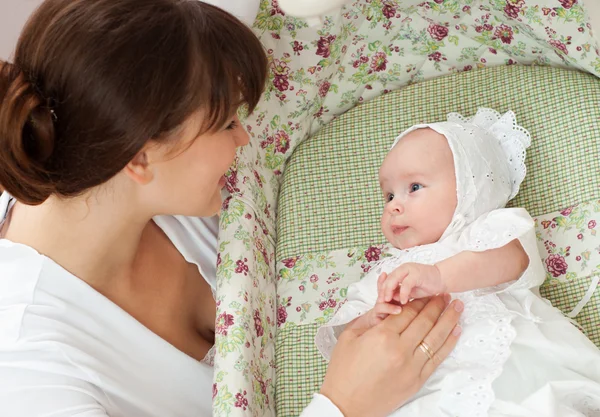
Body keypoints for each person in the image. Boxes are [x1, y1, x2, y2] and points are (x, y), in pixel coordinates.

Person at [0, 1, 463, 416]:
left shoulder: (116, 157)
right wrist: (345, 404)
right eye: (225, 124)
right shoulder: (34, 368)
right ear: (140, 158)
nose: (244, 139)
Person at [315, 108, 600, 416]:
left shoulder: (485, 233)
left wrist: (440, 275)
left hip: (510, 367)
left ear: (469, 189)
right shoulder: (385, 272)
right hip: (423, 393)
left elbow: (513, 259)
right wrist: (371, 319)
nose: (394, 205)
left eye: (414, 188)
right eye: (388, 196)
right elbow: (348, 347)